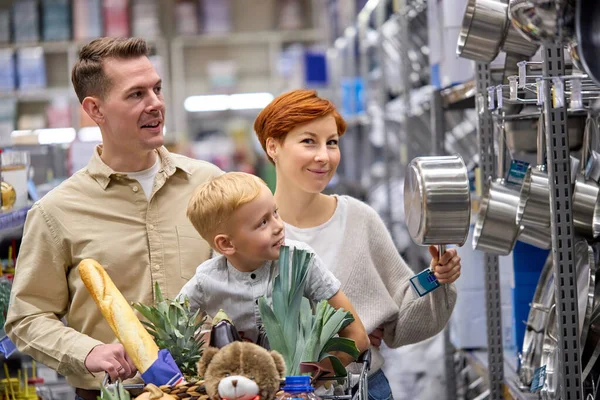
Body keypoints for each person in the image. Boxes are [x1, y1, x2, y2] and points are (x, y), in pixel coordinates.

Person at [5, 37, 222, 399]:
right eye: (136, 95)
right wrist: (87, 352)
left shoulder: (209, 186)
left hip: (210, 389)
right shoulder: (56, 211)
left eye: (157, 89)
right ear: (96, 109)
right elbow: (27, 318)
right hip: (113, 393)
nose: (155, 104)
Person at [253, 89, 462, 400]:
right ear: (273, 146)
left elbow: (401, 309)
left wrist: (436, 277)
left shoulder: (359, 219)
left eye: (332, 142)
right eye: (309, 141)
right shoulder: (252, 229)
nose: (324, 156)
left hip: (363, 389)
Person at [177, 172, 370, 365]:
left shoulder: (300, 260)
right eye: (263, 222)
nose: (279, 226)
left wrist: (315, 377)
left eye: (275, 213)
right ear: (226, 244)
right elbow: (170, 331)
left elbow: (357, 336)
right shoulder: (206, 280)